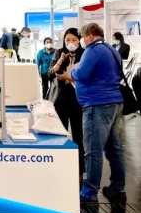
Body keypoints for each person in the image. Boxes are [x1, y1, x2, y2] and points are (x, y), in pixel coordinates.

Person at [57, 23, 126, 203]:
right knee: (114, 149)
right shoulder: (112, 49)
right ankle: (118, 188)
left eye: (81, 37)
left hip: (97, 104)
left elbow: (82, 75)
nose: (81, 41)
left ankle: (89, 192)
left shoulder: (92, 51)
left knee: (93, 150)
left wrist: (72, 73)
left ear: (89, 36)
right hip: (115, 102)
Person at [49, 28, 85, 183]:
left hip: (78, 100)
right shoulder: (59, 52)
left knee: (79, 137)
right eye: (68, 40)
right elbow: (50, 72)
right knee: (60, 135)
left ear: (80, 40)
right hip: (60, 99)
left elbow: (87, 77)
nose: (71, 43)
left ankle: (79, 172)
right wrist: (61, 60)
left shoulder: (85, 54)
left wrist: (69, 77)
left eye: (74, 40)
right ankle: (61, 169)